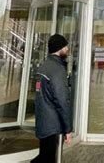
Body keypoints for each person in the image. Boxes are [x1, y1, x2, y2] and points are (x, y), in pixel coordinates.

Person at [32, 34, 72, 163]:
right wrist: (68, 128)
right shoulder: (57, 70)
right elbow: (62, 100)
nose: (67, 49)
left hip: (44, 122)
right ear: (59, 48)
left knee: (45, 155)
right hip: (53, 125)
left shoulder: (44, 66)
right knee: (48, 158)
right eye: (65, 47)